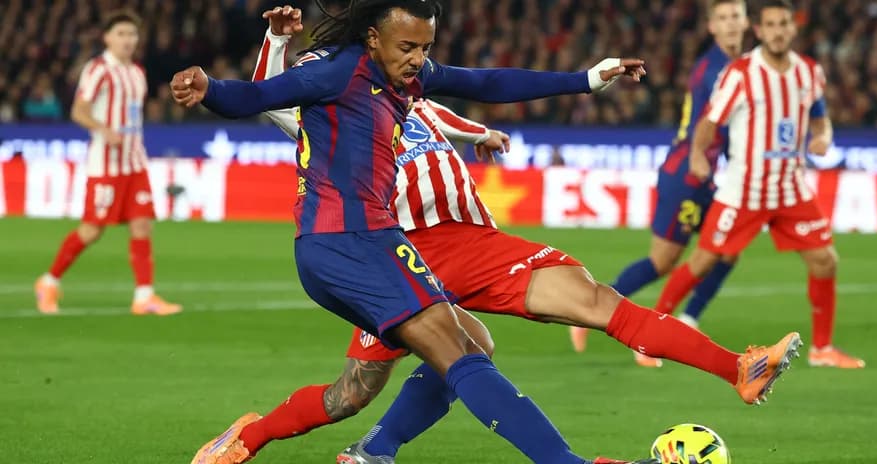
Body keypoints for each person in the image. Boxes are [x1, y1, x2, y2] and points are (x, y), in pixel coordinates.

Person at [186, 7, 801, 464]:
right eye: (408, 46)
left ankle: (274, 441)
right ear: (375, 37)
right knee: (401, 373)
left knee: (374, 382)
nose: (417, 58)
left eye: (425, 47)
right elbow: (264, 95)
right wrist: (230, 73)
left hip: (424, 245)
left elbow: (481, 83)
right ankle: (266, 436)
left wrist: (581, 83)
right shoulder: (329, 88)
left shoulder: (410, 90)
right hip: (397, 242)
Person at [653, 0, 865, 369]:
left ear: (793, 28)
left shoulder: (809, 73)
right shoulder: (741, 73)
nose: (778, 31)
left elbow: (819, 118)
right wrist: (699, 155)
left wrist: (822, 137)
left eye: (784, 24)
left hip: (790, 188)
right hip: (743, 191)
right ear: (759, 30)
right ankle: (650, 337)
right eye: (771, 25)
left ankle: (822, 349)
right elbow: (709, 120)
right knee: (703, 261)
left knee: (825, 260)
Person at [580, 0, 750, 368]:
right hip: (688, 173)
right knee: (662, 261)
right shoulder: (715, 70)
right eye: (724, 18)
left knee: (728, 249)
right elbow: (710, 124)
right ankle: (597, 311)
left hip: (706, 175)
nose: (732, 23)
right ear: (712, 27)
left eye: (736, 15)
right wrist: (702, 156)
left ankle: (687, 320)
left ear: (746, 21)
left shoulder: (740, 66)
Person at [34, 10, 181, 316]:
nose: (128, 40)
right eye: (121, 34)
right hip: (105, 166)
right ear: (107, 38)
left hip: (134, 162)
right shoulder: (98, 69)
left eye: (132, 34)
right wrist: (103, 130)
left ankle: (144, 297)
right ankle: (49, 281)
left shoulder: (137, 73)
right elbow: (78, 110)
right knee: (91, 230)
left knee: (142, 225)